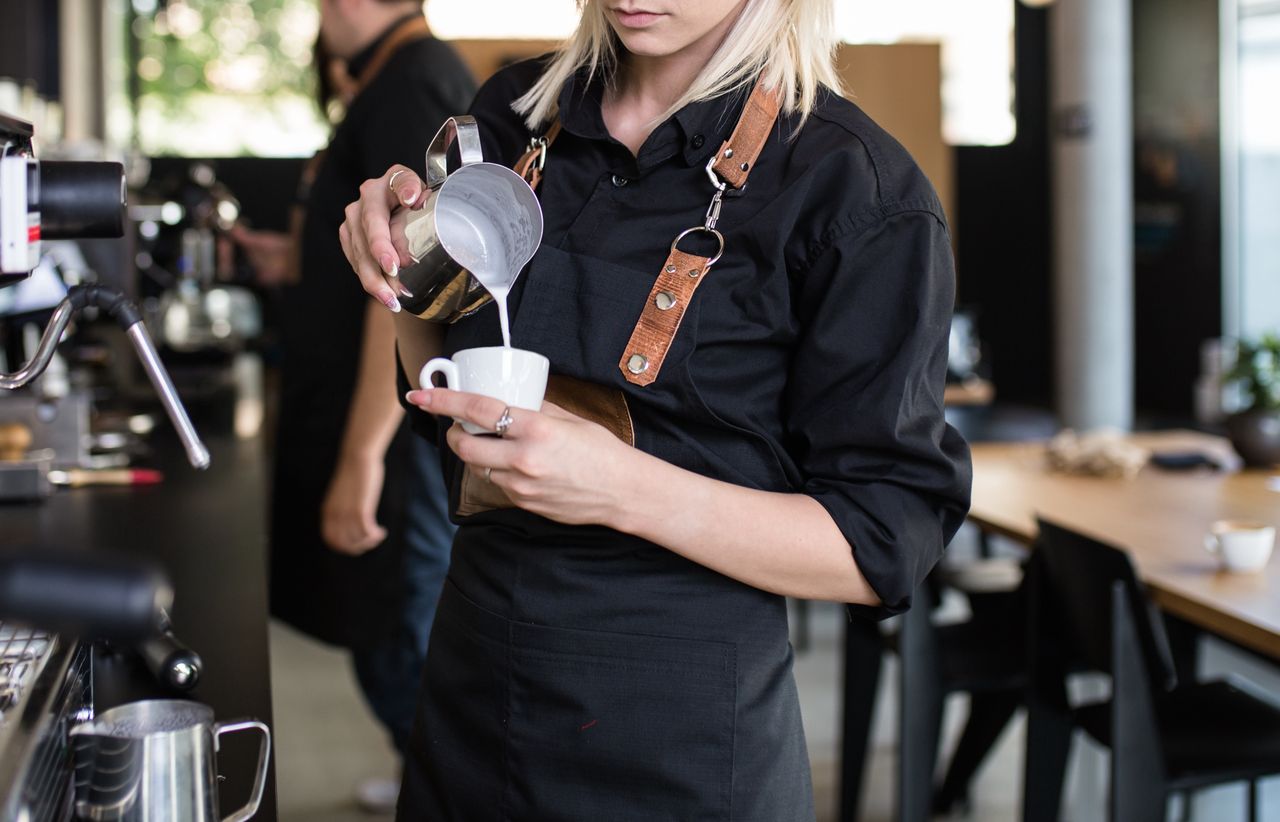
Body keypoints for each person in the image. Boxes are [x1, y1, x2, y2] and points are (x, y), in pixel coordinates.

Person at [340, 0, 972, 818]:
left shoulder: (853, 192)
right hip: (474, 692)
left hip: (681, 736)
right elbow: (440, 378)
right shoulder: (515, 119)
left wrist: (625, 488)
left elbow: (878, 545)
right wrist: (401, 266)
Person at [233, 0, 474, 813]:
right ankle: (427, 774)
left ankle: (453, 787)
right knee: (384, 626)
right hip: (369, 418)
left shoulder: (412, 82)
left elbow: (401, 286)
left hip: (393, 430)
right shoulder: (391, 79)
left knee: (397, 634)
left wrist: (362, 458)